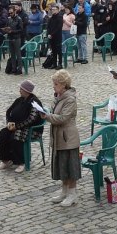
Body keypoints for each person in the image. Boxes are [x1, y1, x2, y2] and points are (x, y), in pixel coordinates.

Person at [39, 70, 81, 207]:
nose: (53, 86)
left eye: (56, 84)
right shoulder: (58, 97)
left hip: (68, 138)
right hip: (58, 137)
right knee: (62, 166)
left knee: (70, 167)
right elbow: (54, 113)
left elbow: (63, 118)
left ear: (63, 85)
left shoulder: (70, 99)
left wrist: (47, 116)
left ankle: (72, 194)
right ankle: (64, 191)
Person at [0, 79, 43, 173]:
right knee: (3, 133)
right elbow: (9, 111)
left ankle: (20, 162)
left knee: (16, 136)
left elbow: (31, 119)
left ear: (27, 91)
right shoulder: (19, 100)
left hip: (31, 129)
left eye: (21, 89)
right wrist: (9, 123)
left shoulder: (34, 102)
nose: (19, 90)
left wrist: (17, 126)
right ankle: (6, 160)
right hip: (17, 126)